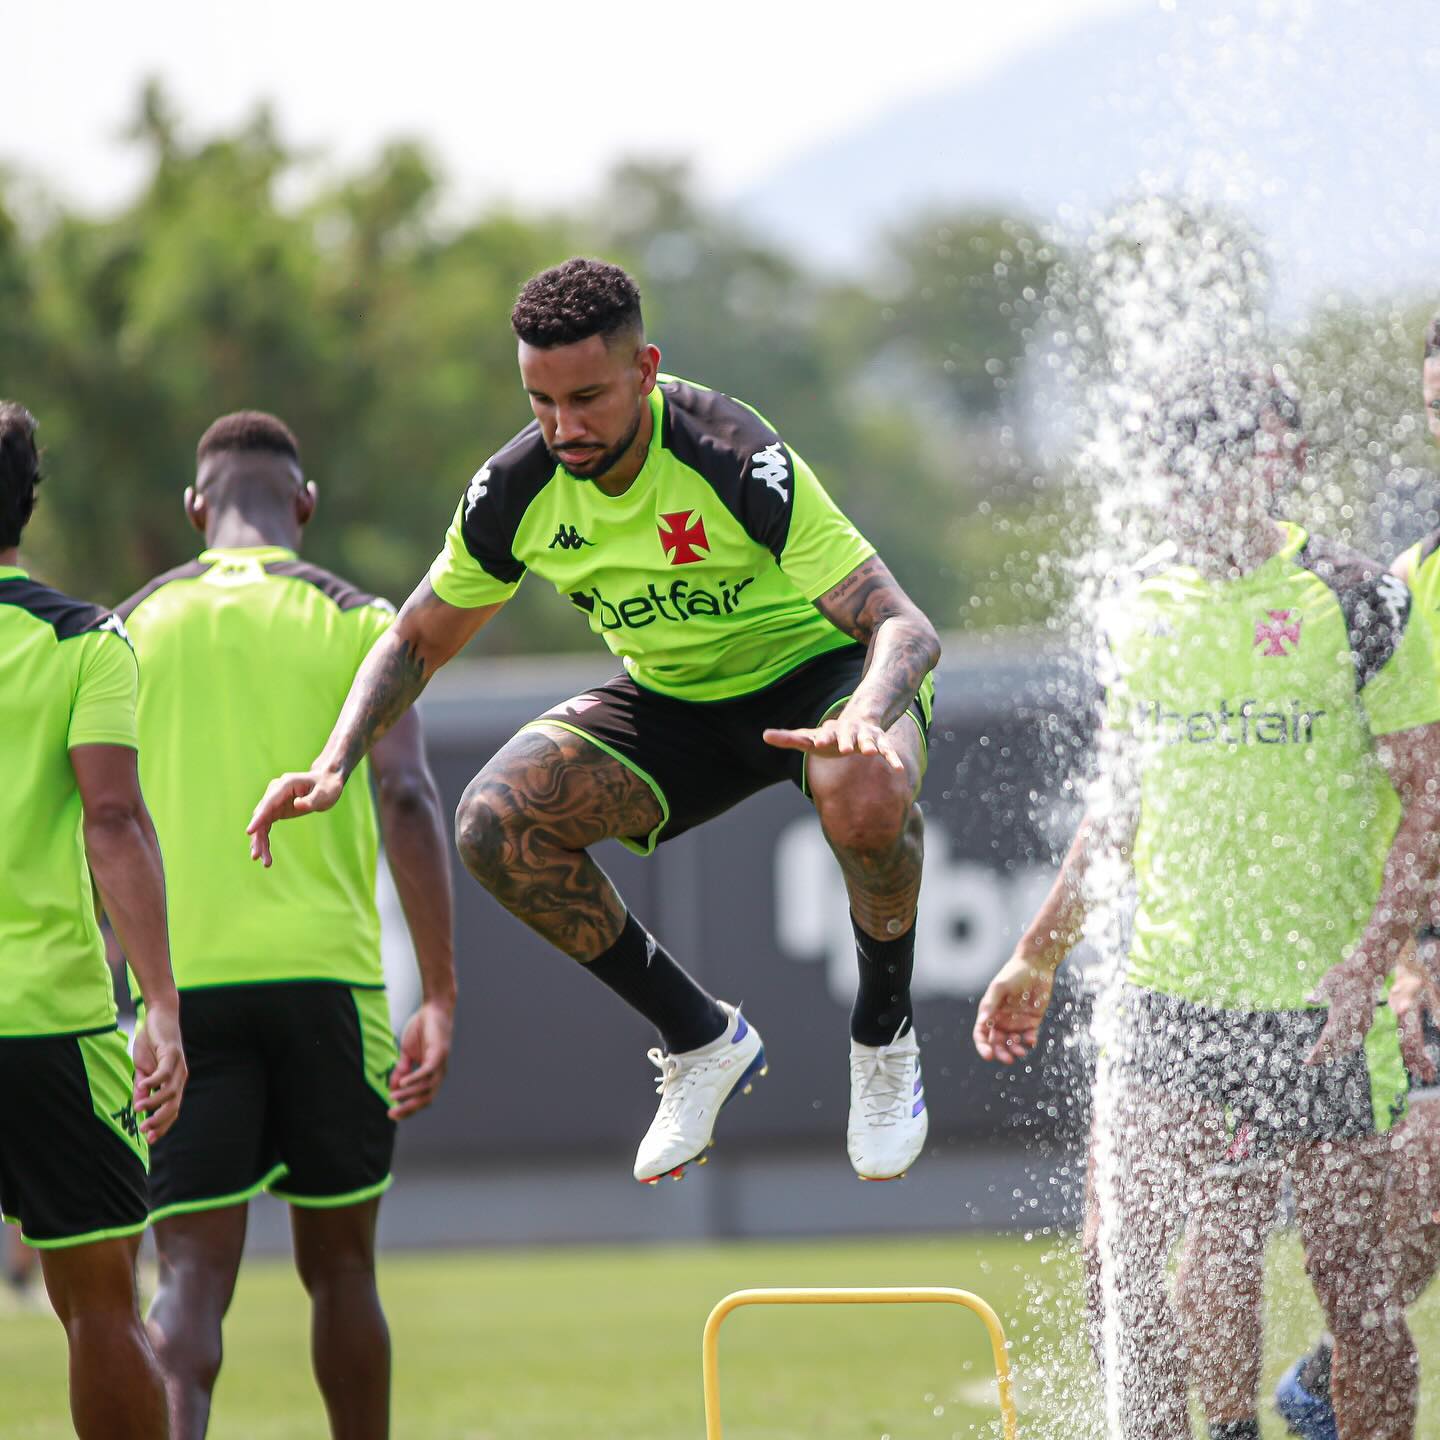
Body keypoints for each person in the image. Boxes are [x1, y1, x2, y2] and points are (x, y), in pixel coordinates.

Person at [248, 257, 940, 1184]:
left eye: (587, 399)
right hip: (674, 702)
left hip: (823, 680)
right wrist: (335, 759)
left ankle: (885, 1039)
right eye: (541, 401)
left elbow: (904, 628)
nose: (564, 427)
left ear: (645, 370)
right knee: (493, 823)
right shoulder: (515, 488)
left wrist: (862, 715)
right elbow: (415, 637)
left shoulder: (733, 453)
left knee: (861, 782)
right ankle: (701, 1039)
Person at [972, 362, 1440, 1440]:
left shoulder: (1359, 599)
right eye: (1172, 471)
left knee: (1357, 1294)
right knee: (1116, 1260)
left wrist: (1373, 960)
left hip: (1321, 1008)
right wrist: (1037, 953)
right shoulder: (1138, 599)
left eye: (1214, 467)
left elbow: (1425, 797)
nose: (1192, 493)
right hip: (1170, 998)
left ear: (1257, 470)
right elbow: (1118, 804)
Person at [119, 412, 456, 1440]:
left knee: (186, 1276)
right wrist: (441, 993)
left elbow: (99, 817)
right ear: (304, 505)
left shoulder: (129, 627)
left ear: (195, 508)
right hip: (330, 986)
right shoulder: (364, 623)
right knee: (345, 1272)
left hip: (182, 998)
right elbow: (407, 796)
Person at [0, 400, 187, 1438]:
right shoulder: (84, 639)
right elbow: (112, 820)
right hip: (51, 1027)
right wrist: (160, 1004)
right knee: (100, 1309)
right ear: (29, 500)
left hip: (51, 1025)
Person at [1273, 314, 1440, 1440]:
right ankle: (1327, 1384)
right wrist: (1407, 953)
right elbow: (1406, 789)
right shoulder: (1412, 581)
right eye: (1436, 407)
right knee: (1418, 1194)